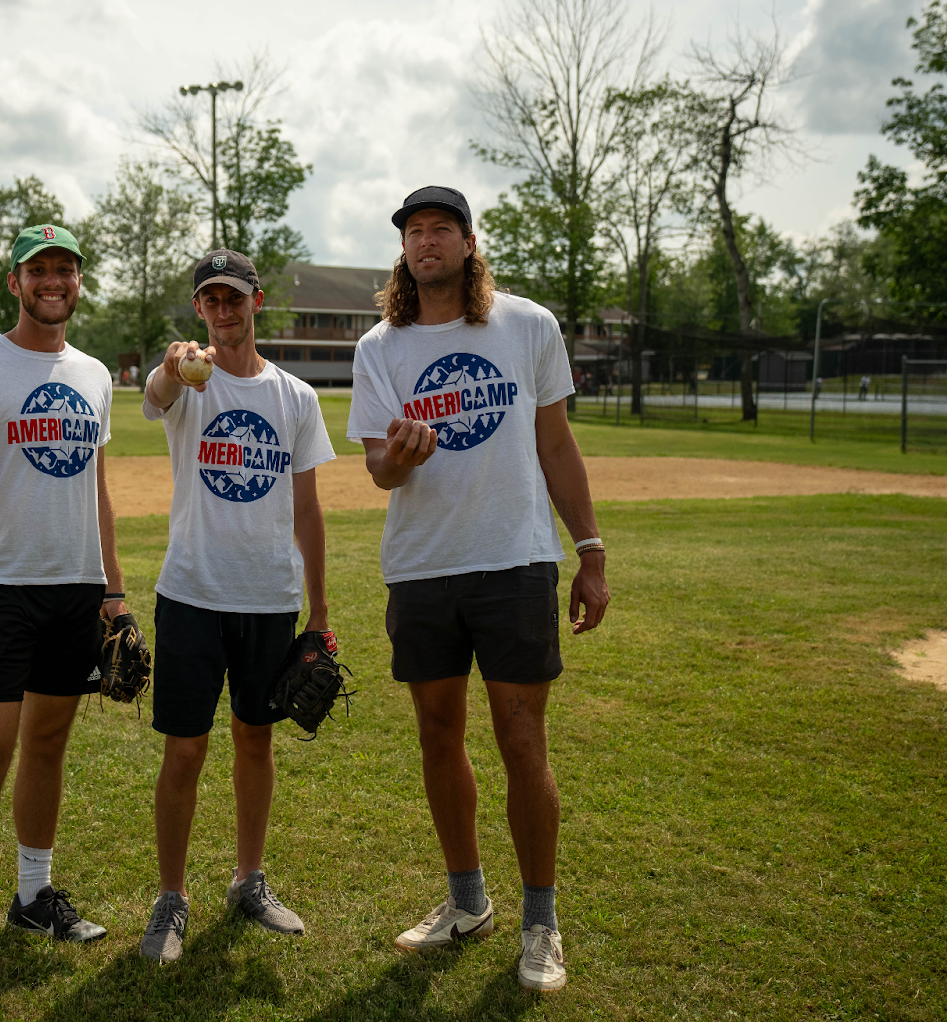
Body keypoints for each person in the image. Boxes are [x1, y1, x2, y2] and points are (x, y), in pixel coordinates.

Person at [346, 187, 610, 994]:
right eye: (413, 232)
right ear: (404, 251)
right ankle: (468, 902)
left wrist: (589, 549)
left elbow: (556, 444)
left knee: (522, 739)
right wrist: (402, 458)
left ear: (467, 243)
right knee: (437, 732)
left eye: (440, 230)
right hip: (423, 565)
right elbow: (378, 470)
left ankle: (541, 922)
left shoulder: (527, 325)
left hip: (515, 561)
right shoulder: (380, 347)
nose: (426, 243)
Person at [0, 224, 133, 1009]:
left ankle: (34, 896)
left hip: (75, 586)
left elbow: (98, 490)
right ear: (14, 282)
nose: (53, 281)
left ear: (78, 282)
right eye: (39, 270)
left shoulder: (95, 373)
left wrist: (113, 588)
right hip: (3, 585)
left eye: (65, 270)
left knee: (48, 743)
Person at [136, 249, 336, 963]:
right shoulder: (191, 382)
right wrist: (169, 365)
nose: (224, 310)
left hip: (268, 599)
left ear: (256, 302)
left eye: (235, 298)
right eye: (210, 300)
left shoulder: (295, 398)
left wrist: (318, 611)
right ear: (200, 310)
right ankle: (171, 898)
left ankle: (249, 880)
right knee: (185, 749)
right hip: (192, 592)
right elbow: (154, 396)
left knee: (257, 738)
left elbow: (308, 510)